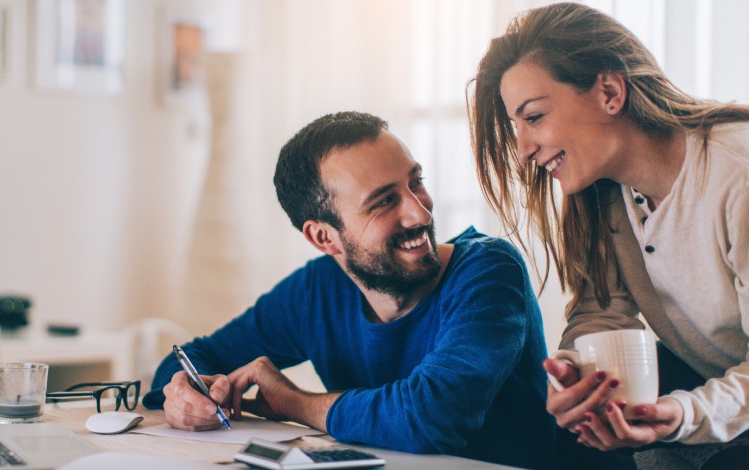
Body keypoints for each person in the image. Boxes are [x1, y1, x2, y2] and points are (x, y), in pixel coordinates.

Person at [141, 111, 555, 469]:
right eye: (383, 202)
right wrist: (185, 393)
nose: (419, 211)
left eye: (416, 182)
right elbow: (192, 360)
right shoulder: (316, 291)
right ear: (324, 237)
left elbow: (433, 416)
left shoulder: (488, 270)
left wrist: (293, 402)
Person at [469, 2, 749, 468]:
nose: (522, 150)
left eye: (533, 117)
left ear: (608, 92)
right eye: (515, 126)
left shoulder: (737, 175)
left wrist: (681, 412)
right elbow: (602, 311)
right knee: (568, 428)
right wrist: (577, 377)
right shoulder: (605, 194)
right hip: (714, 388)